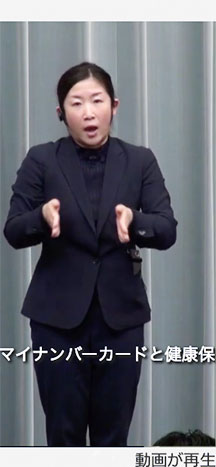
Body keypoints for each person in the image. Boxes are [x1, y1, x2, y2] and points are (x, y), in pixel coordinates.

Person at [3, 62, 177, 446]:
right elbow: (13, 230)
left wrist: (133, 221)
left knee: (113, 436)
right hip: (56, 321)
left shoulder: (139, 160)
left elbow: (167, 229)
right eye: (77, 103)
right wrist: (41, 217)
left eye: (97, 101)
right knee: (63, 434)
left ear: (114, 106)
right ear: (61, 112)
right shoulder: (42, 160)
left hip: (121, 319)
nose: (88, 112)